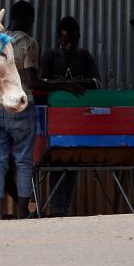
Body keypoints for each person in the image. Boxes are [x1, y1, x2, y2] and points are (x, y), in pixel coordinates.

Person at [41, 15, 100, 216]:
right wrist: (66, 85)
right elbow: (42, 83)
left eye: (73, 41)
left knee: (72, 160)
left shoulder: (84, 56)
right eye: (65, 41)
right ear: (58, 37)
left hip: (78, 120)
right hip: (56, 120)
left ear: (79, 38)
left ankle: (62, 209)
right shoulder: (50, 56)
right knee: (56, 161)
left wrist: (80, 83)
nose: (69, 45)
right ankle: (57, 208)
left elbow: (97, 83)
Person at [0, 0, 40, 220]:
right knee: (23, 160)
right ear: (28, 19)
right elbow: (32, 80)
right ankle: (20, 215)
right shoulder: (29, 43)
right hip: (21, 103)